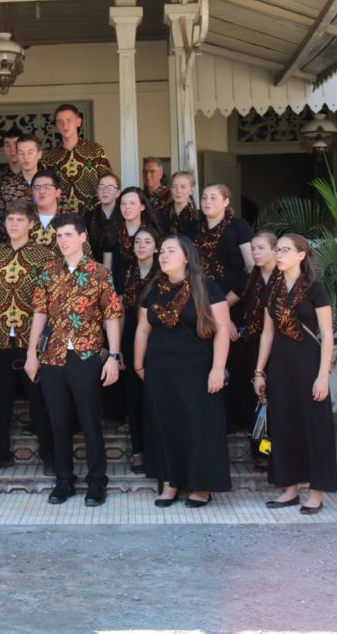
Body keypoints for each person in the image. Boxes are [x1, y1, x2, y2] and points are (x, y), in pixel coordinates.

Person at [25, 213, 122, 507]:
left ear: (82, 237)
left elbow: (113, 316)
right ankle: (64, 481)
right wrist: (32, 353)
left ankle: (96, 482)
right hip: (53, 355)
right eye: (59, 236)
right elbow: (39, 312)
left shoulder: (98, 273)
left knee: (90, 420)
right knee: (58, 421)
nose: (63, 240)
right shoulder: (48, 271)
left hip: (87, 354)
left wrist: (114, 357)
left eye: (68, 234)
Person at [132, 235, 232, 508]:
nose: (163, 255)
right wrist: (139, 364)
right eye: (161, 251)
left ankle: (201, 486)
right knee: (165, 426)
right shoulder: (154, 289)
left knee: (198, 427)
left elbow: (223, 330)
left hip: (198, 370)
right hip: (160, 369)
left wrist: (218, 369)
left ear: (186, 256)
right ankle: (171, 483)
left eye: (170, 251)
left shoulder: (207, 288)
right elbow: (143, 328)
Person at [253, 234, 337, 515]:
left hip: (309, 365)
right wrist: (259, 372)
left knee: (315, 427)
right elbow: (267, 334)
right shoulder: (273, 290)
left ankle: (316, 492)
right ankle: (289, 489)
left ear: (301, 255)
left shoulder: (316, 289)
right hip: (280, 366)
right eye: (277, 249)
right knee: (283, 425)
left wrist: (323, 375)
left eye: (285, 250)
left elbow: (327, 335)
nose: (279, 254)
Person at [0, 200, 55, 473]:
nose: (13, 224)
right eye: (10, 219)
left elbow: (49, 298)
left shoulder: (44, 256)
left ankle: (50, 455)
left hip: (30, 339)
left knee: (40, 401)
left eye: (20, 220)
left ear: (31, 224)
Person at [194, 183, 254, 431]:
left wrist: (224, 311)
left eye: (213, 197)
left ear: (226, 201)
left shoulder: (238, 226)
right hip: (201, 305)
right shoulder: (193, 229)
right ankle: (217, 423)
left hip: (234, 302)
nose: (207, 201)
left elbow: (251, 269)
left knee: (237, 364)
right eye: (204, 197)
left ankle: (243, 425)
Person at [119, 226, 161, 475]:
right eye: (137, 242)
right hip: (132, 335)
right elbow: (122, 309)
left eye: (147, 242)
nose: (141, 245)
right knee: (133, 397)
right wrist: (118, 348)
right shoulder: (128, 272)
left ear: (156, 247)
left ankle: (157, 451)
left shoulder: (163, 273)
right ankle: (138, 452)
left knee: (155, 397)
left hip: (157, 338)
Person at [239, 231, 278, 471]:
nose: (255, 253)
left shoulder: (283, 279)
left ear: (274, 250)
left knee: (278, 402)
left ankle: (279, 453)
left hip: (281, 348)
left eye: (261, 248)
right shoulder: (251, 279)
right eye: (253, 248)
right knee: (259, 401)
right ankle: (262, 453)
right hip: (254, 346)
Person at [42, 104, 113, 213]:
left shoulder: (96, 150)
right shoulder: (49, 157)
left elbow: (108, 183)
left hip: (94, 215)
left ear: (78, 122)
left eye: (69, 120)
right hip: (62, 217)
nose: (64, 125)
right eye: (60, 122)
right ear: (56, 125)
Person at [103, 187, 159, 295]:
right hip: (117, 293)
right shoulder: (111, 233)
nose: (127, 207)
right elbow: (106, 269)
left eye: (132, 203)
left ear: (142, 206)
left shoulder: (152, 234)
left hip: (147, 293)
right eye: (123, 203)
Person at [0, 133, 38, 221]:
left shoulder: (51, 184)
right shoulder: (5, 187)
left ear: (39, 154)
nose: (25, 157)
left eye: (30, 152)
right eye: (21, 153)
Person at [83, 173, 122, 263]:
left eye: (110, 187)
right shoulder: (88, 217)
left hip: (121, 268)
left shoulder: (125, 216)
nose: (105, 191)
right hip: (95, 268)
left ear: (118, 192)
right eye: (101, 187)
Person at [157, 171, 199, 239]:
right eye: (174, 186)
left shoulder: (199, 217)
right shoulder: (160, 215)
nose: (178, 191)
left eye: (183, 187)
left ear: (191, 190)